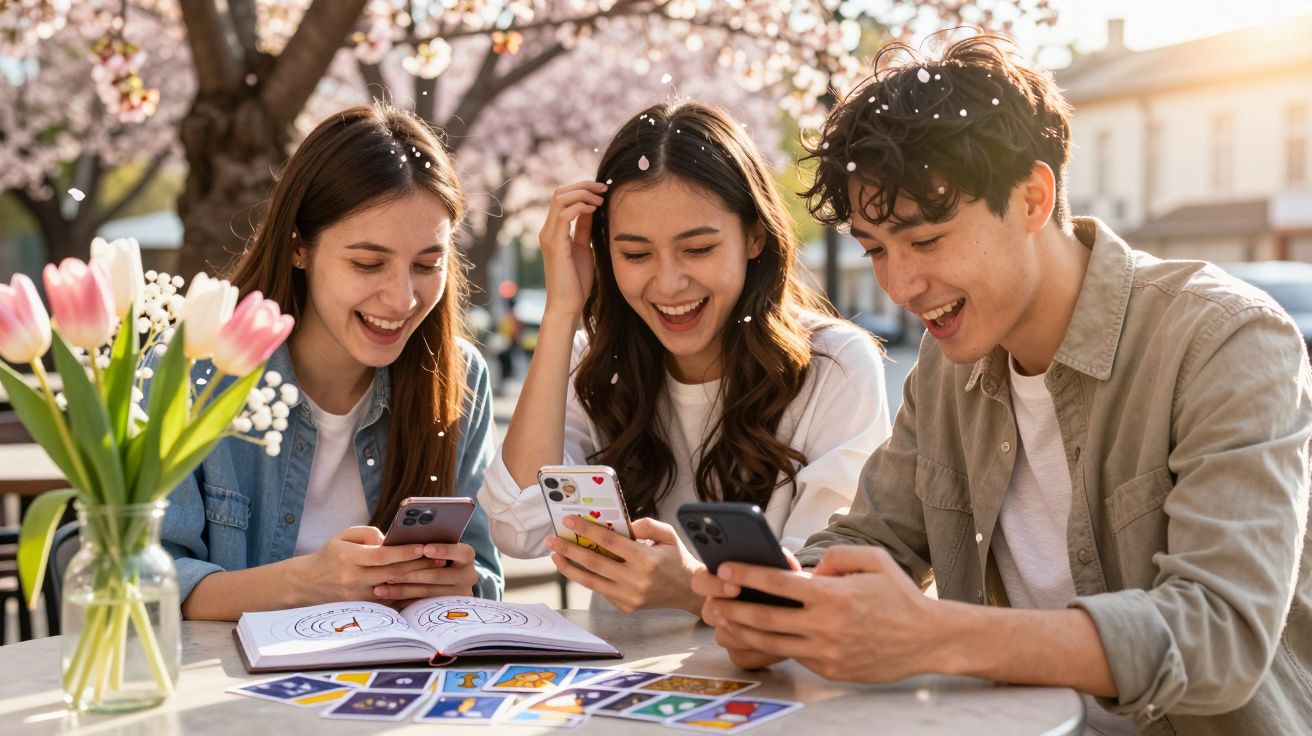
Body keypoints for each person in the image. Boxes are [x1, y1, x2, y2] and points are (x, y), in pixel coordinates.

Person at [692, 35, 1312, 735]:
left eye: (925, 241)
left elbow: (1221, 636)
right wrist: (780, 608)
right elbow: (873, 538)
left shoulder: (1223, 341)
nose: (900, 285)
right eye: (876, 251)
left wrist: (931, 634)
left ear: (1032, 198)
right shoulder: (945, 363)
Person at [478, 101, 891, 615]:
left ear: (755, 237)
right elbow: (519, 526)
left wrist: (693, 590)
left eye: (697, 250)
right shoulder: (591, 369)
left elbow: (827, 585)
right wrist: (562, 310)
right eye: (635, 254)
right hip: (619, 682)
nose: (669, 283)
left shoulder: (835, 366)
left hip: (776, 686)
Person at [161, 103, 503, 620]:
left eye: (427, 264)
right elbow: (145, 580)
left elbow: (485, 578)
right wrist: (308, 583)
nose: (402, 297)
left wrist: (461, 584)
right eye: (368, 263)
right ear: (300, 247)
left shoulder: (457, 377)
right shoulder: (193, 371)